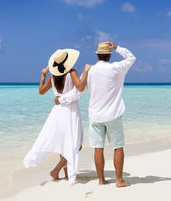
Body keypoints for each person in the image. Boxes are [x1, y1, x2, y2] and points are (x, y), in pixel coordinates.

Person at [56, 42, 136, 187]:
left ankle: (101, 180)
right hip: (113, 115)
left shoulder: (90, 71)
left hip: (95, 116)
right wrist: (117, 47)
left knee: (98, 149)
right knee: (118, 147)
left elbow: (78, 92)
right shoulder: (116, 68)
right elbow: (131, 58)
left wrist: (62, 99)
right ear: (109, 56)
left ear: (97, 55)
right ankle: (118, 180)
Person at [23, 48, 90, 185]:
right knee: (75, 144)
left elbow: (41, 91)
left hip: (58, 110)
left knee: (63, 142)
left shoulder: (53, 76)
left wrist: (43, 75)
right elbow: (81, 87)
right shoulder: (72, 72)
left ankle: (65, 173)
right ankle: (56, 170)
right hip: (70, 110)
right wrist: (85, 72)